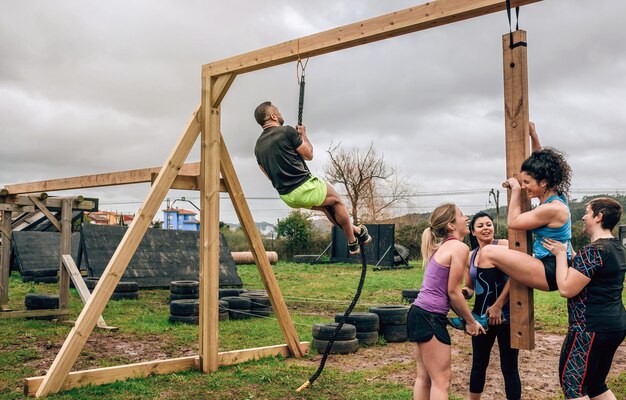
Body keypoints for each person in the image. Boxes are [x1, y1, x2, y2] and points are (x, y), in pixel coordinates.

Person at [253, 101, 371, 254]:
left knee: (327, 208)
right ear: (273, 116)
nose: (281, 114)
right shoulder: (286, 131)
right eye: (278, 111)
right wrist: (303, 135)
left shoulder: (257, 148)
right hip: (303, 186)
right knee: (337, 201)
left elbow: (268, 175)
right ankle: (352, 242)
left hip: (287, 196)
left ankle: (357, 230)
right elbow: (309, 154)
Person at [543, 198, 626, 400]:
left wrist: (561, 255)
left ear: (599, 217)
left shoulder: (593, 251)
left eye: (587, 212)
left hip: (588, 329)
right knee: (596, 385)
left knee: (573, 387)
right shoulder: (617, 249)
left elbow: (566, 289)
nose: (582, 216)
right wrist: (573, 255)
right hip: (614, 325)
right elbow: (590, 271)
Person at [479, 122, 573, 292]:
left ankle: (482, 309)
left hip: (551, 270)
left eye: (527, 182)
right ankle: (493, 305)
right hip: (549, 263)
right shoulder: (553, 194)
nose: (524, 186)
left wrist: (515, 189)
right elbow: (541, 165)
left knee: (488, 252)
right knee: (496, 251)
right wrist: (534, 136)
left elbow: (513, 222)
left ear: (543, 183)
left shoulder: (552, 209)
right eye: (522, 183)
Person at [408, 203, 486, 400]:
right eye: (461, 215)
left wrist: (463, 299)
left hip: (418, 313)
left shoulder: (443, 247)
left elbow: (449, 291)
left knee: (424, 377)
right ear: (451, 225)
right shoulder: (459, 247)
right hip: (430, 317)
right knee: (442, 380)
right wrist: (470, 321)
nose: (466, 218)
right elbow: (452, 292)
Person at [463, 212, 521, 400]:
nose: (486, 228)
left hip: (506, 316)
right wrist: (463, 293)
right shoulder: (470, 256)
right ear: (473, 231)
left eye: (489, 224)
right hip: (480, 319)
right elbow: (470, 287)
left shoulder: (503, 245)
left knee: (509, 367)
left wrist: (498, 305)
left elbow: (518, 274)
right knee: (479, 364)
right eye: (480, 226)